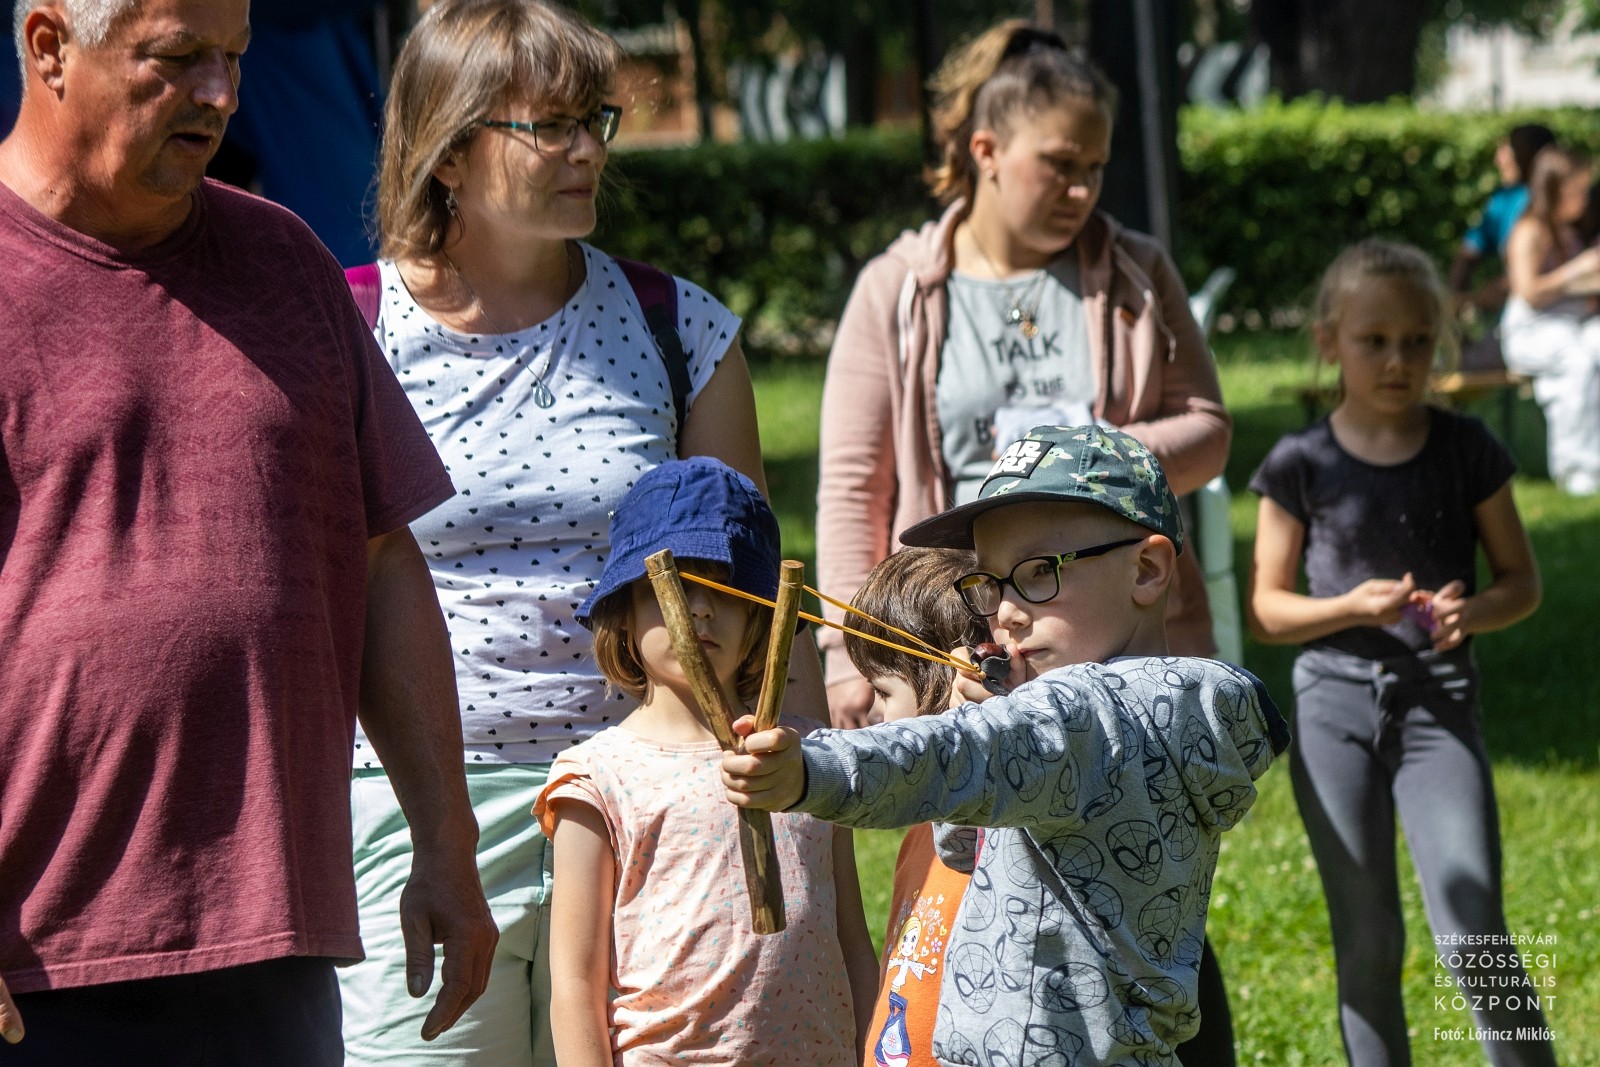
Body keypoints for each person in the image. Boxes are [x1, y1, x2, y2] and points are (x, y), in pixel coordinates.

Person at [0, 0, 495, 1062]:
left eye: (234, 59)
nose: (223, 97)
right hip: (34, 952)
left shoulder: (288, 263)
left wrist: (445, 840)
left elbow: (381, 555)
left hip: (268, 937)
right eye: (179, 60)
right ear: (50, 47)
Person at [336, 2, 813, 1063]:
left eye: (593, 117)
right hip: (417, 808)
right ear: (449, 148)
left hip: (652, 800)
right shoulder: (348, 326)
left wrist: (799, 798)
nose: (590, 147)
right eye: (548, 126)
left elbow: (746, 598)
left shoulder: (675, 325)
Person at [725, 426, 1290, 1067]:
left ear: (1148, 569)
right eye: (993, 584)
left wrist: (808, 770)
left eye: (1040, 573)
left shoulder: (1081, 715)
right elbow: (967, 853)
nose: (1008, 615)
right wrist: (1002, 727)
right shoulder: (1136, 716)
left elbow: (941, 755)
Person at [816, 20, 1230, 730]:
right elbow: (855, 489)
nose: (1082, 190)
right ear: (987, 151)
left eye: (1095, 168)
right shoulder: (896, 290)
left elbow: (1210, 431)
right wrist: (848, 651)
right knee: (963, 841)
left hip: (1112, 636)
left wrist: (1086, 465)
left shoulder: (1139, 273)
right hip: (956, 633)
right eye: (1062, 165)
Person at [1247, 240, 1555, 1066]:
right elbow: (1268, 612)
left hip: (1437, 703)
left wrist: (1474, 613)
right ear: (1329, 341)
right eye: (1373, 340)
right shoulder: (1297, 463)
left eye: (1418, 340)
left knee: (1474, 930)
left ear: (1441, 343)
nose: (1397, 359)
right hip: (1332, 707)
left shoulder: (1467, 449)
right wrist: (1348, 606)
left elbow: (1521, 581)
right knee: (1369, 938)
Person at [534, 457, 877, 1065]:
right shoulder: (599, 778)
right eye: (677, 586)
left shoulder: (809, 759)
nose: (700, 609)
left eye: (726, 589)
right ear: (626, 610)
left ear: (760, 620)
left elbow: (853, 939)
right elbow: (574, 984)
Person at [842, 547, 987, 1067]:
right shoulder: (920, 834)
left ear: (949, 681)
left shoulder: (990, 830)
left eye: (884, 692)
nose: (875, 715)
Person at [1500, 145, 1600, 496]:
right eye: (1577, 190)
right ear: (1554, 188)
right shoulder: (1529, 231)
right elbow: (1529, 292)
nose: (1584, 198)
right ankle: (1577, 467)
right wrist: (1579, 270)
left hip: (1569, 324)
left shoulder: (1568, 231)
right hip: (1530, 333)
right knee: (1579, 361)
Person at [1448, 123, 1557, 305]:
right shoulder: (1504, 200)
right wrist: (1455, 300)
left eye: (1510, 149)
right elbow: (1468, 254)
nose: (1500, 159)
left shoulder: (1560, 201)